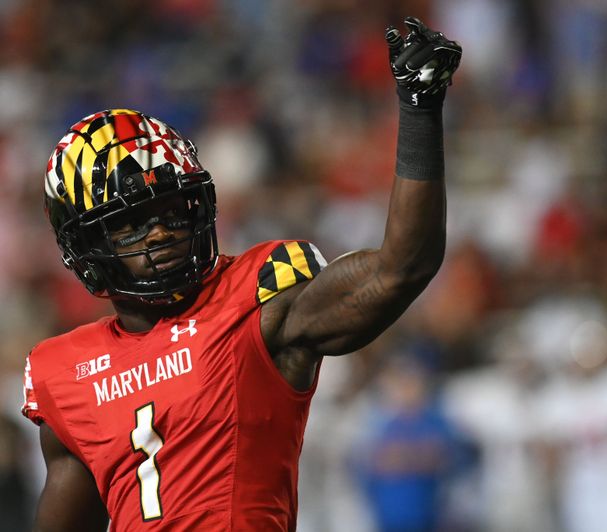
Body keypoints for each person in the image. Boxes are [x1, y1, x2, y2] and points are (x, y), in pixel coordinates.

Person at [20, 16, 461, 531]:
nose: (159, 235)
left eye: (170, 212)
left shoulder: (258, 294)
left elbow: (401, 268)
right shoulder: (63, 371)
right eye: (130, 226)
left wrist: (419, 112)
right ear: (87, 247)